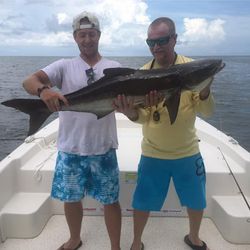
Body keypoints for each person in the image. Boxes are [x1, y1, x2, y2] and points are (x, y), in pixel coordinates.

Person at [23, 11, 122, 250]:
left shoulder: (116, 68)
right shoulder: (64, 66)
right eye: (82, 35)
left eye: (91, 34)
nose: (87, 39)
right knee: (71, 198)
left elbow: (134, 113)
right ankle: (75, 238)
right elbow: (29, 81)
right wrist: (44, 91)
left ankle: (115, 246)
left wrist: (129, 109)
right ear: (75, 38)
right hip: (71, 149)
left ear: (99, 35)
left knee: (111, 201)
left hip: (103, 147)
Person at [113, 17, 213, 250]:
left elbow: (207, 111)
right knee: (143, 201)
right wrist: (130, 113)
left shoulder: (193, 69)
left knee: (196, 200)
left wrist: (206, 90)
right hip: (153, 152)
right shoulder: (142, 75)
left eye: (162, 40)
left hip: (187, 151)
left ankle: (194, 237)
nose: (156, 46)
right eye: (151, 42)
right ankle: (137, 242)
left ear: (174, 39)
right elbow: (144, 117)